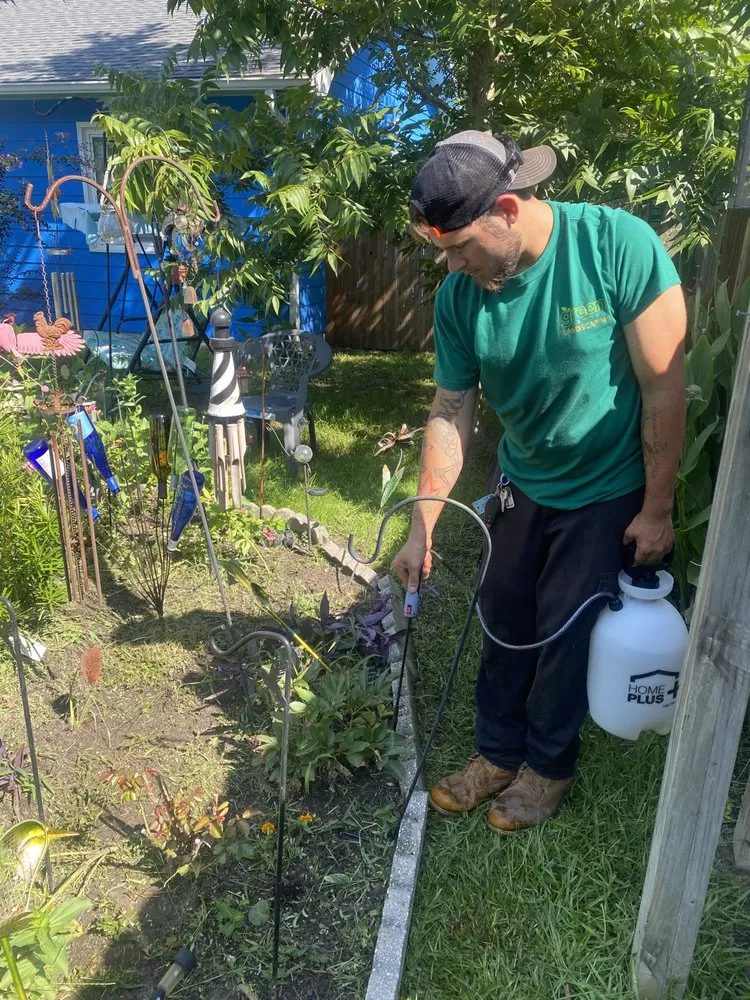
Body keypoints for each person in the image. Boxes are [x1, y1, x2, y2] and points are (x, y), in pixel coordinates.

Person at [392, 131, 686, 834]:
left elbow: (664, 384)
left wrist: (657, 508)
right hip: (522, 481)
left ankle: (547, 769)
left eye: (460, 244)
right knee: (503, 617)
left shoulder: (614, 247)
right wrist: (422, 521)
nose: (452, 263)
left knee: (564, 632)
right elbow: (449, 411)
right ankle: (496, 754)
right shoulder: (462, 298)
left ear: (507, 208)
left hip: (604, 485)